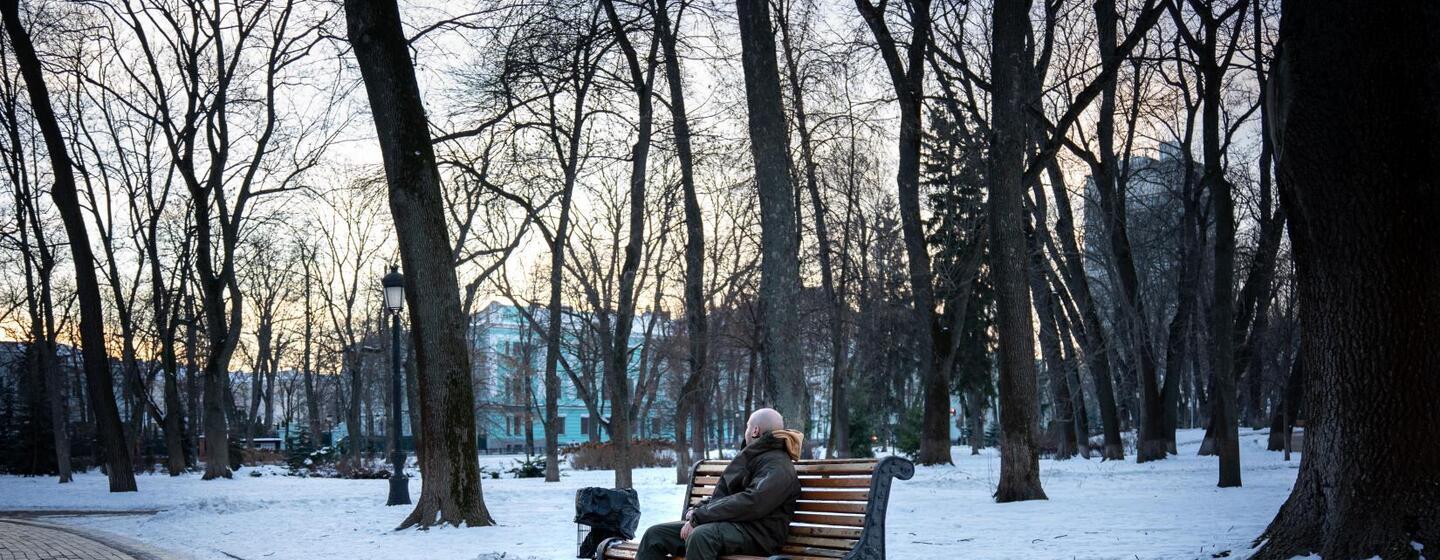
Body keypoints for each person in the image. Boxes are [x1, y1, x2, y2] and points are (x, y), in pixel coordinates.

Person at [635, 408, 803, 560]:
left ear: (755, 431)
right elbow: (729, 497)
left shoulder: (777, 465)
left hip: (759, 536)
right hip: (735, 526)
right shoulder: (755, 457)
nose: (746, 430)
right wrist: (700, 509)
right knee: (655, 536)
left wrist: (701, 517)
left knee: (701, 536)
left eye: (747, 426)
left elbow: (752, 503)